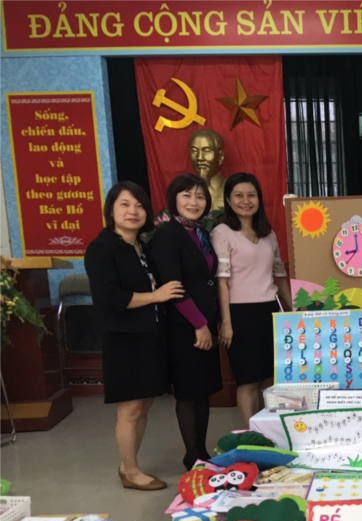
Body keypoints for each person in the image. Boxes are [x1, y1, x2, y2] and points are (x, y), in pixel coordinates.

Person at [84, 182, 183, 490]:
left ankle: (127, 465)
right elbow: (111, 297)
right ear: (111, 210)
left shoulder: (143, 247)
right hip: (123, 338)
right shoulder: (101, 248)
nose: (133, 211)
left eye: (139, 205)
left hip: (150, 335)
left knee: (144, 405)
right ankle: (131, 472)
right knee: (129, 409)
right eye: (125, 204)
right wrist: (156, 296)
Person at [151, 173, 223, 469]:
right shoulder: (168, 233)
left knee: (202, 391)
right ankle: (192, 455)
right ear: (174, 199)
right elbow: (174, 286)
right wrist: (199, 325)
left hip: (205, 321)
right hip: (186, 325)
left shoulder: (200, 232)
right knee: (188, 392)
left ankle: (202, 453)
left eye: (200, 196)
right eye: (187, 195)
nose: (194, 202)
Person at [212, 173, 292, 425]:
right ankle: (251, 433)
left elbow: (279, 276)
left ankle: (274, 430)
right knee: (248, 380)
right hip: (239, 314)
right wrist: (227, 323)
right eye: (239, 195)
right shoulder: (222, 232)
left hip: (270, 312)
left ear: (259, 199)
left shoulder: (268, 234)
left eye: (251, 195)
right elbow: (222, 281)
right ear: (228, 200)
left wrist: (295, 309)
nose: (245, 201)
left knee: (272, 378)